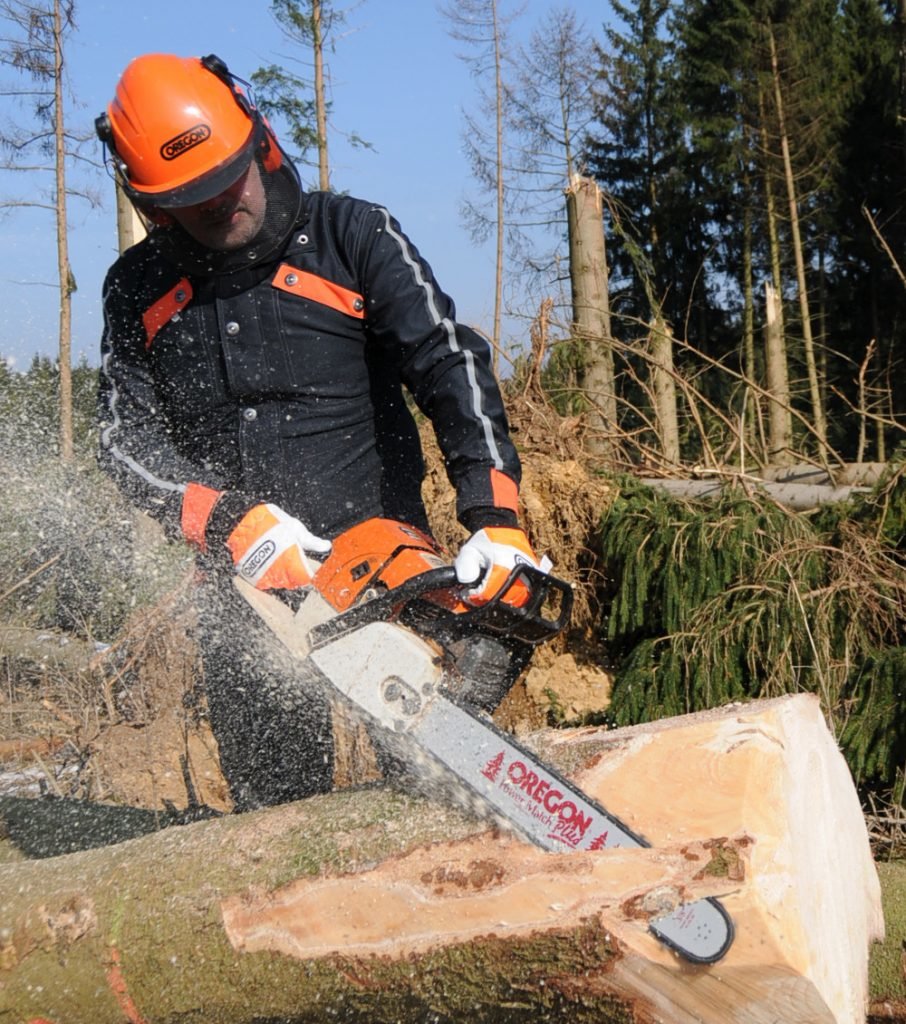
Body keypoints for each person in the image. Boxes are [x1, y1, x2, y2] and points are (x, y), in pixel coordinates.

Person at [95, 52, 552, 811]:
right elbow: (122, 442)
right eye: (195, 199)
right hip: (246, 589)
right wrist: (223, 520)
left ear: (258, 140)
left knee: (432, 791)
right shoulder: (137, 289)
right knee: (277, 816)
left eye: (229, 177)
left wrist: (495, 515)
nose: (224, 203)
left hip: (382, 564)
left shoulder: (353, 234)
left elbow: (449, 364)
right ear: (154, 206)